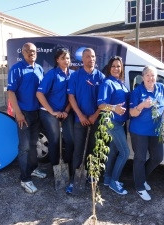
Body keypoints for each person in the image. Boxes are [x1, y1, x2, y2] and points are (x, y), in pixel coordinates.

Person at [7, 42, 47, 194]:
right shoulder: (16, 69)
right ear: (23, 53)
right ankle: (25, 179)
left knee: (33, 144)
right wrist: (18, 113)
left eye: (34, 51)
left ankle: (33, 169)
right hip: (23, 113)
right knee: (24, 147)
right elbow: (11, 93)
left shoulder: (39, 68)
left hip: (36, 112)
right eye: (28, 51)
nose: (32, 53)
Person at [129, 65, 164, 201]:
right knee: (140, 158)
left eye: (153, 75)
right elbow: (132, 113)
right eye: (147, 75)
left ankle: (141, 178)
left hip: (156, 130)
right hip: (139, 131)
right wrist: (142, 105)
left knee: (157, 157)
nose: (150, 78)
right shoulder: (137, 91)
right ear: (143, 77)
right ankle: (139, 186)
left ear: (156, 77)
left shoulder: (161, 88)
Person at [66, 48, 105, 194]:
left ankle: (89, 175)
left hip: (95, 120)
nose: (91, 59)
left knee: (92, 150)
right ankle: (74, 180)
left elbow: (104, 100)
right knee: (78, 151)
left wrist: (96, 114)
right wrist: (81, 116)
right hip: (79, 120)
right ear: (82, 59)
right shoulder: (75, 76)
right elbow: (71, 98)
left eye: (93, 56)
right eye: (88, 56)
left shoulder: (101, 77)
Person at [36, 48, 74, 173]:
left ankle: (66, 167)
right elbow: (39, 94)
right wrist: (52, 112)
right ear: (57, 60)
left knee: (70, 140)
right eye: (63, 58)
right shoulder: (52, 74)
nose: (66, 60)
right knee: (55, 140)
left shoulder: (72, 75)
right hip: (49, 113)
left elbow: (72, 97)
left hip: (65, 112)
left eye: (67, 58)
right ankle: (56, 169)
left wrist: (66, 111)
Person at [97, 56, 130, 195]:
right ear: (109, 68)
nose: (116, 68)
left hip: (120, 122)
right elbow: (101, 104)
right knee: (125, 152)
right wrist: (114, 108)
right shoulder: (107, 83)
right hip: (112, 122)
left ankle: (107, 178)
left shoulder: (120, 82)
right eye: (113, 66)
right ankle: (114, 182)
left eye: (118, 66)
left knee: (113, 152)